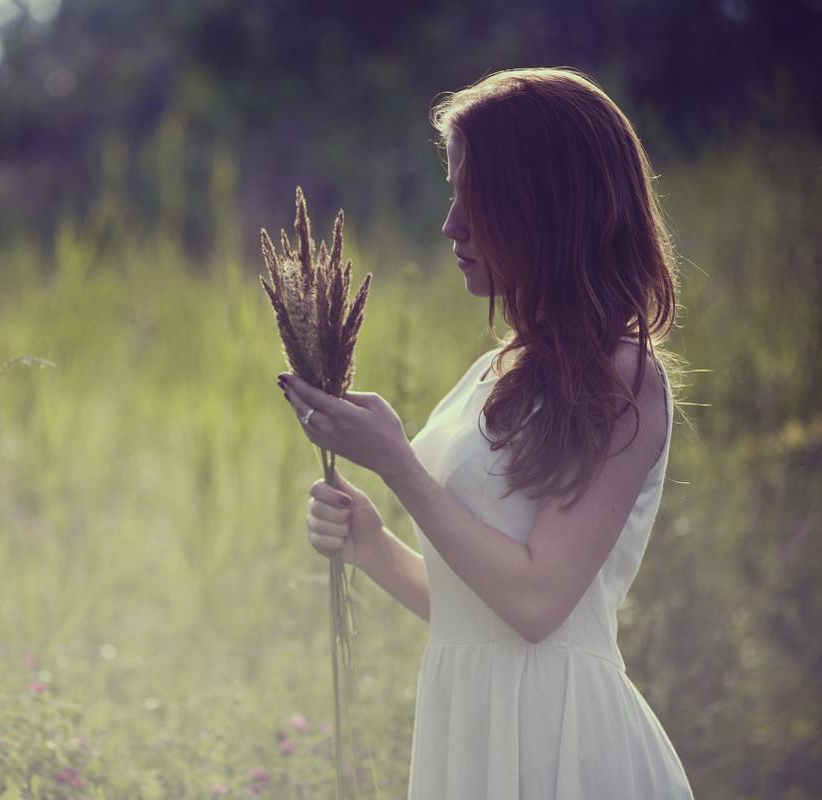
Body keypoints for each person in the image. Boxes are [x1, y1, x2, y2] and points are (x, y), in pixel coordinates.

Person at [277, 67, 695, 799]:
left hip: (560, 744)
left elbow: (536, 606)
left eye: (477, 200)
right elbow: (475, 607)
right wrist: (373, 545)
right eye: (453, 196)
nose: (452, 226)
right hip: (468, 733)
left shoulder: (625, 378)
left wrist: (398, 466)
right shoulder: (492, 373)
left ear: (547, 208)